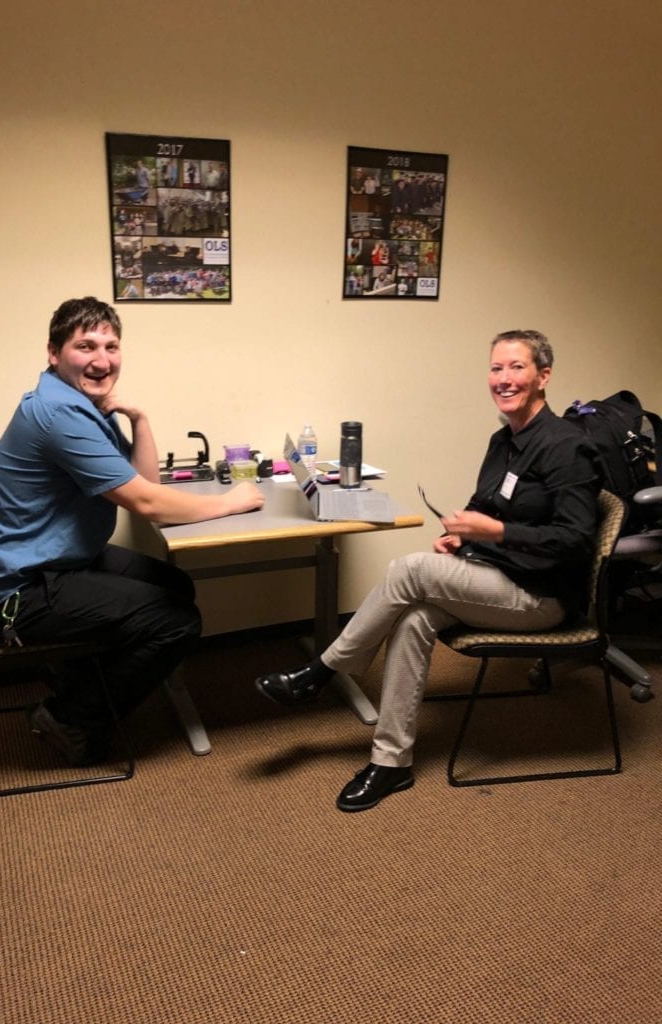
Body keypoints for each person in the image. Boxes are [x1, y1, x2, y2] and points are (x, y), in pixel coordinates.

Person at [254, 330, 600, 812]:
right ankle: (391, 763)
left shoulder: (567, 447)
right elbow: (486, 502)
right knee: (414, 617)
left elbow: (576, 539)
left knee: (410, 570)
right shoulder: (505, 440)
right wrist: (462, 532)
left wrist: (495, 532)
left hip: (539, 597)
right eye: (496, 368)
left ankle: (322, 672)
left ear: (543, 376)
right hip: (495, 576)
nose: (503, 379)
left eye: (516, 368)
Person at [0, 296, 263, 765]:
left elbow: (144, 482)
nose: (101, 360)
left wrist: (139, 417)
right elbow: (150, 504)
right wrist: (229, 502)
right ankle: (69, 715)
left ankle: (88, 682)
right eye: (85, 346)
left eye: (111, 346)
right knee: (177, 621)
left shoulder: (80, 404)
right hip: (21, 593)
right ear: (53, 352)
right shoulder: (59, 414)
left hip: (59, 561)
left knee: (174, 584)